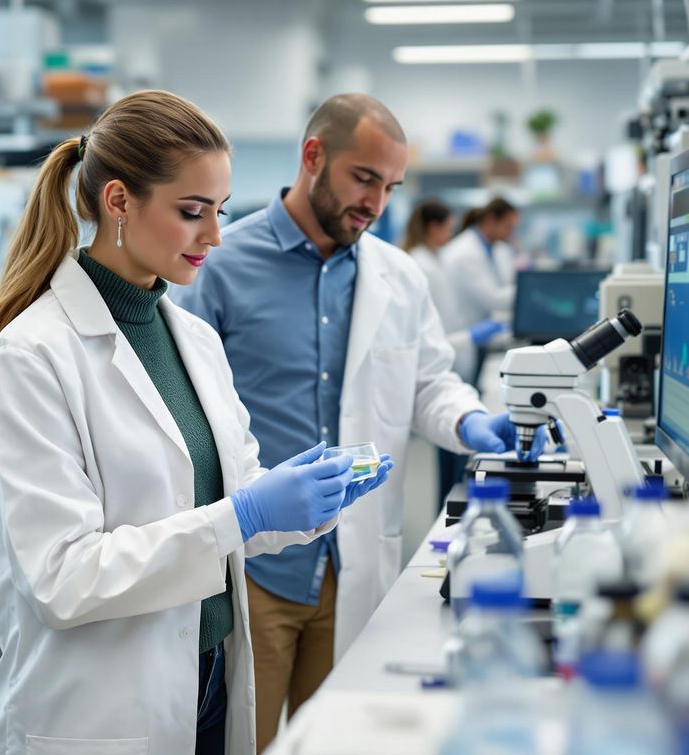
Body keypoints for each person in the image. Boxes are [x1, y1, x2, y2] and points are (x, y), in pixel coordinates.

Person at [0, 90, 392, 755]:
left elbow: (233, 504)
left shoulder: (191, 339)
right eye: (192, 212)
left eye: (219, 212)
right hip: (100, 711)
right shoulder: (30, 357)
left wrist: (303, 500)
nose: (215, 236)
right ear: (119, 203)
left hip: (210, 681)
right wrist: (243, 514)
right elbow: (62, 580)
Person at [173, 94, 544, 750]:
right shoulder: (221, 263)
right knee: (242, 740)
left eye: (390, 186)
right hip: (255, 567)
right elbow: (181, 407)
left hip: (352, 561)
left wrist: (468, 420)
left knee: (342, 740)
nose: (375, 202)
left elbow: (429, 381)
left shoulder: (398, 276)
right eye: (363, 178)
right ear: (313, 156)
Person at [403, 199, 510, 504]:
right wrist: (470, 337)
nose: (451, 234)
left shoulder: (434, 261)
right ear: (433, 227)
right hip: (448, 354)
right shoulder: (421, 265)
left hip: (453, 357)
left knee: (454, 457)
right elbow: (426, 342)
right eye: (448, 227)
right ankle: (446, 510)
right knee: (450, 463)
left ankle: (448, 508)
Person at [437, 197, 522, 382]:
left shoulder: (496, 249)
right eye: (508, 227)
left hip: (479, 338)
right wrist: (529, 289)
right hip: (461, 334)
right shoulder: (464, 253)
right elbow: (494, 298)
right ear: (491, 220)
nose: (511, 233)